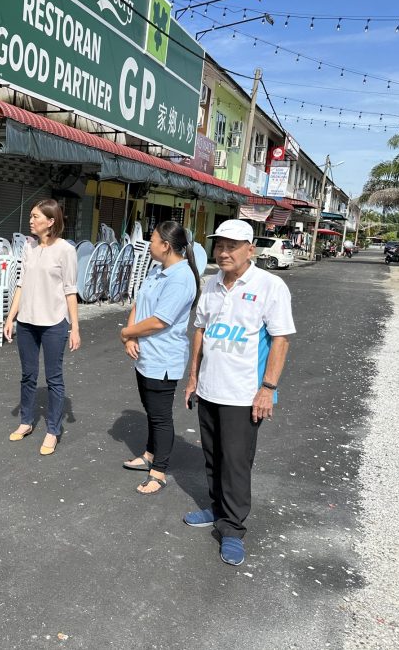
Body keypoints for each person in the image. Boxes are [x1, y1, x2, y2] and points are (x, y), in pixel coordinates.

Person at [183, 219, 295, 566]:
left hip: (244, 394)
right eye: (219, 245)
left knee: (236, 463)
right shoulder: (212, 283)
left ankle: (232, 529)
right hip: (210, 389)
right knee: (213, 456)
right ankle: (217, 509)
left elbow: (281, 339)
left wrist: (268, 389)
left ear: (251, 249)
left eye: (232, 246)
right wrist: (193, 378)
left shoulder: (269, 286)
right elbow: (200, 330)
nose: (224, 252)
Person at [120, 221, 200, 494]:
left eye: (152, 239)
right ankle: (149, 455)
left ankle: (159, 471)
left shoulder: (181, 277)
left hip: (163, 358)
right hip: (145, 355)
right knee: (152, 413)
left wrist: (126, 332)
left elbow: (159, 321)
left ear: (166, 245)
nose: (148, 243)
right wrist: (130, 336)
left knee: (161, 417)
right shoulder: (158, 270)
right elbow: (139, 304)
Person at [3, 199, 81, 456]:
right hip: (27, 321)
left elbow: (71, 290)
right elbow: (21, 284)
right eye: (31, 216)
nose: (31, 220)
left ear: (51, 221)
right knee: (28, 375)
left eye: (36, 216)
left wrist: (75, 327)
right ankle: (26, 421)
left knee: (53, 378)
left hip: (54, 323)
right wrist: (10, 317)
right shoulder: (29, 247)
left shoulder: (65, 250)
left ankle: (52, 429)